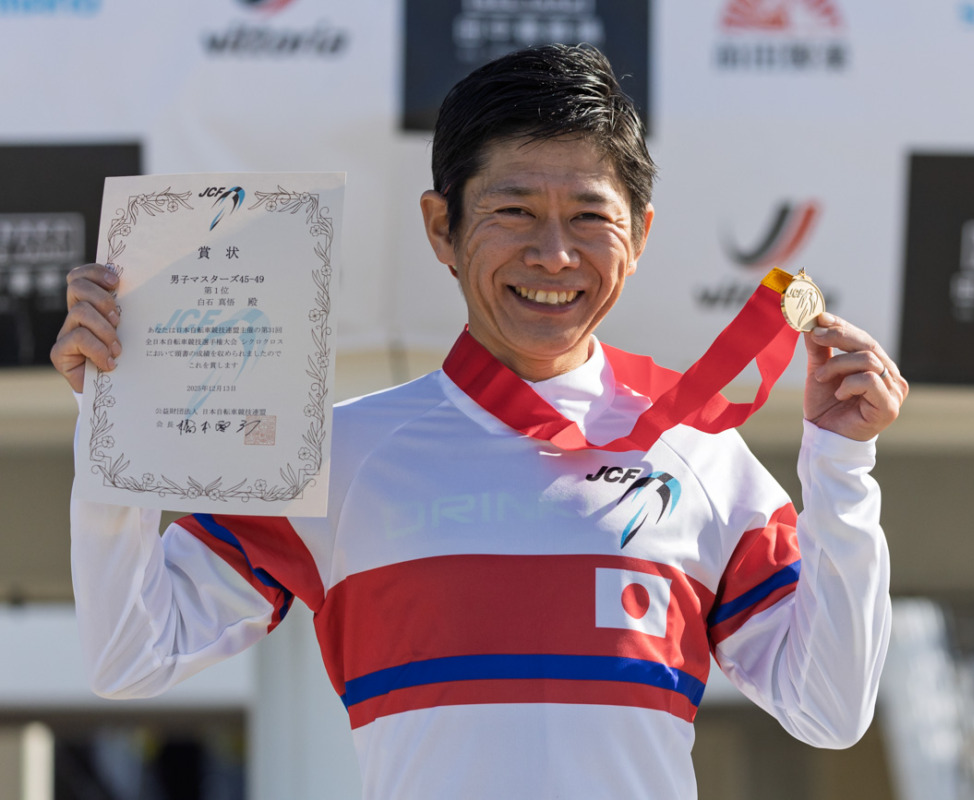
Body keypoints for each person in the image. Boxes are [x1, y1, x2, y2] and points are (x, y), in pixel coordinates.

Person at [51, 44, 906, 799]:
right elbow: (134, 655)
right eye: (514, 211)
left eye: (589, 216)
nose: (554, 254)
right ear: (442, 228)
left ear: (640, 235)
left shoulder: (704, 457)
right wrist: (116, 418)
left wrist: (841, 466)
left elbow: (828, 710)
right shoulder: (335, 456)